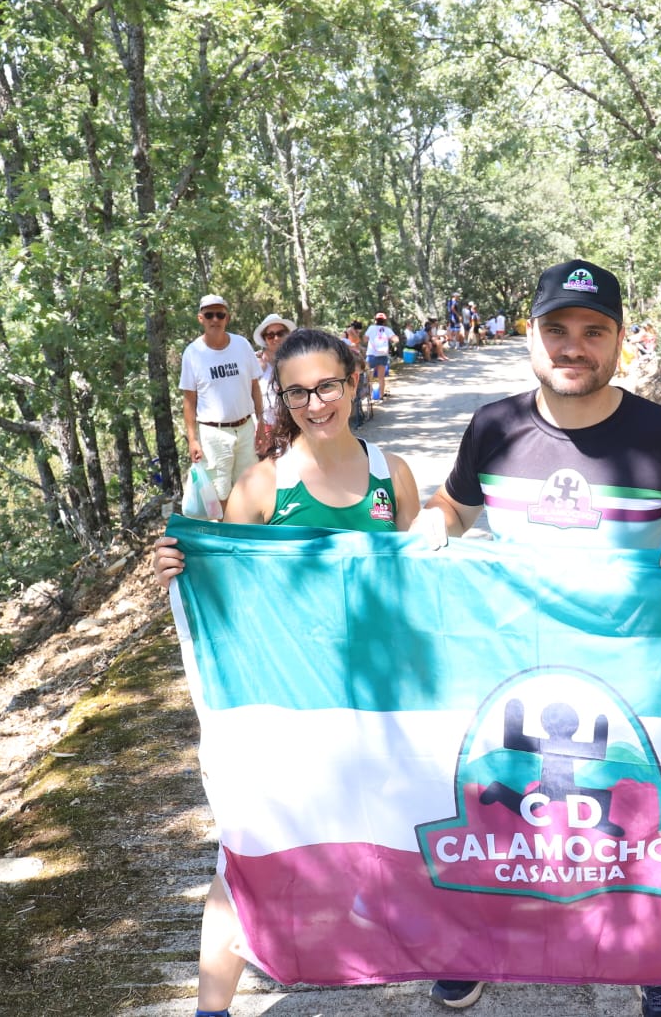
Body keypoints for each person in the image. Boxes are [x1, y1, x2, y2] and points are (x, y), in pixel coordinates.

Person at [411, 258, 661, 1017]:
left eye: (594, 331)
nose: (574, 346)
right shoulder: (495, 424)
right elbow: (455, 507)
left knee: (628, 818)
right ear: (531, 336)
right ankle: (476, 944)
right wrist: (437, 521)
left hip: (629, 670)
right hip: (511, 668)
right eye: (556, 329)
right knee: (498, 814)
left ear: (620, 340)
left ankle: (656, 961)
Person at [154, 327, 421, 1017]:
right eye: (297, 392)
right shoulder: (261, 487)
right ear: (282, 398)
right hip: (292, 706)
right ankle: (212, 1009)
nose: (315, 403)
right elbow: (229, 593)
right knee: (247, 851)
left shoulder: (394, 475)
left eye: (327, 385)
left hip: (382, 699)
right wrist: (183, 572)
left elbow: (424, 584)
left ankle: (446, 960)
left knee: (409, 834)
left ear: (353, 382)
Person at [180, 294, 265, 506]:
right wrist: (192, 439)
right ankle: (227, 534)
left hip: (245, 427)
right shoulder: (193, 353)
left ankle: (250, 532)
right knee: (220, 492)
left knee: (249, 485)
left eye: (220, 314)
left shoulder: (242, 345)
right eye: (209, 315)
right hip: (214, 433)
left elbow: (254, 385)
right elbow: (189, 400)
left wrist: (261, 421)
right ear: (201, 318)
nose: (215, 320)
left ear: (227, 317)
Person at [252, 313, 295, 457]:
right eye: (270, 335)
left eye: (280, 333)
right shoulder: (256, 364)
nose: (276, 338)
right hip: (265, 429)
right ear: (265, 339)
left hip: (292, 426)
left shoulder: (295, 360)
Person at [363, 311, 398, 400]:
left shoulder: (371, 328)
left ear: (375, 320)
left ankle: (369, 396)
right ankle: (381, 396)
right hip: (383, 355)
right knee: (381, 378)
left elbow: (365, 339)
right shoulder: (387, 329)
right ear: (384, 321)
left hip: (371, 355)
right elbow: (396, 339)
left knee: (368, 378)